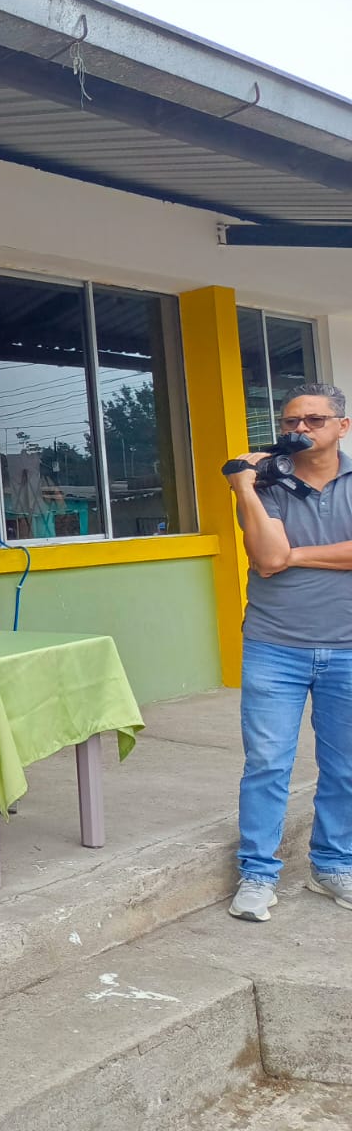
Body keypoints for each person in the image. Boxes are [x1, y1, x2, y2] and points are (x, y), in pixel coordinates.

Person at [226, 382, 352, 922]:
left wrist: (295, 554)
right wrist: (243, 486)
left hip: (348, 647)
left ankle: (333, 866)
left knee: (345, 767)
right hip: (274, 646)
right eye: (291, 422)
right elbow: (266, 557)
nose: (300, 429)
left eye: (314, 420)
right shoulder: (266, 485)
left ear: (342, 426)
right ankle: (257, 875)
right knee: (267, 764)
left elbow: (282, 557)